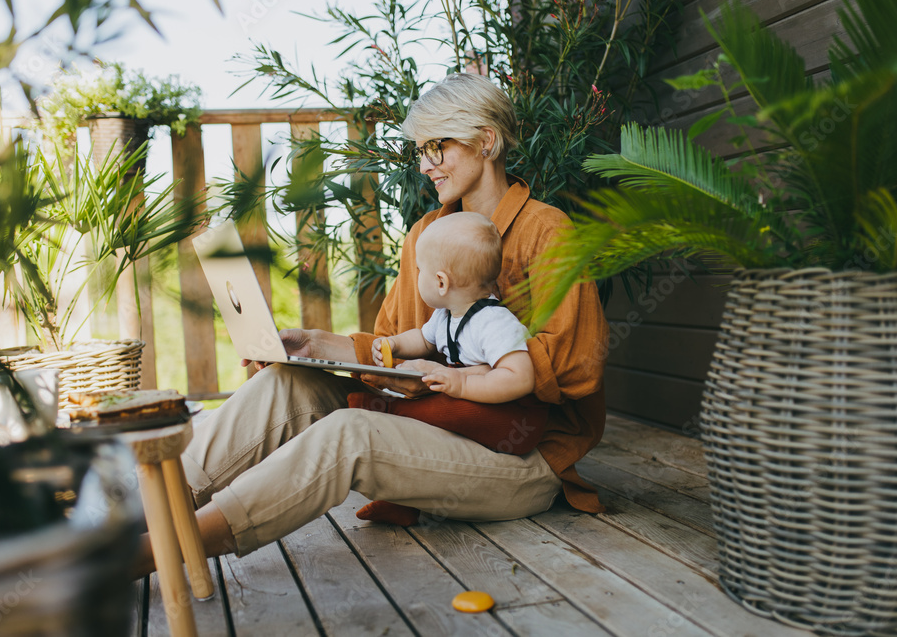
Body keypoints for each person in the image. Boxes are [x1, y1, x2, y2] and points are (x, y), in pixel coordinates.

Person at [134, 72, 608, 575]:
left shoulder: (547, 230)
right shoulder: (426, 234)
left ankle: (156, 553)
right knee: (286, 381)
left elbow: (578, 367)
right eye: (420, 150)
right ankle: (150, 511)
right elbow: (394, 347)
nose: (425, 164)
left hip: (521, 458)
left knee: (350, 432)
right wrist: (313, 344)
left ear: (486, 141)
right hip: (430, 423)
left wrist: (467, 376)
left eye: (437, 147)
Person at [347, 210, 550, 526]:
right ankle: (399, 502)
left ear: (441, 281)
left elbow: (521, 378)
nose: (417, 277)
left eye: (419, 270)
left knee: (440, 409)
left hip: (515, 419)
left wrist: (462, 385)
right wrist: (395, 344)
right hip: (473, 401)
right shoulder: (445, 315)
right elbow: (424, 339)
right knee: (428, 421)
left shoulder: (494, 322)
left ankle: (386, 409)